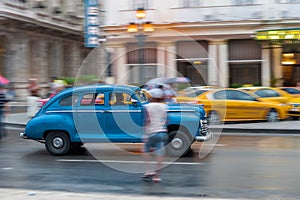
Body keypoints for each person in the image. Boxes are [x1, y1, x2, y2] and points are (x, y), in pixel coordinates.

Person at [142, 87, 168, 183]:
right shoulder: (165, 107)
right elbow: (167, 120)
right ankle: (157, 176)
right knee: (160, 153)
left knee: (146, 150)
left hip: (151, 132)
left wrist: (145, 134)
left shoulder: (147, 107)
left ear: (152, 97)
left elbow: (147, 121)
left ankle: (148, 171)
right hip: (162, 133)